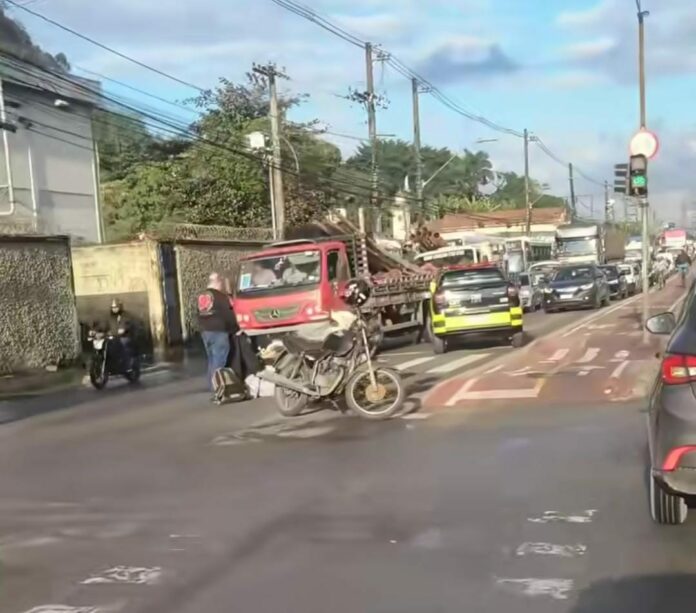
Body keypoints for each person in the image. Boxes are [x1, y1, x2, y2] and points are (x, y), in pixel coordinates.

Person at [197, 272, 239, 395]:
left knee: (211, 359)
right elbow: (229, 314)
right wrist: (236, 328)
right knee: (219, 360)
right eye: (221, 282)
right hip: (219, 331)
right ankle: (217, 387)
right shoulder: (220, 296)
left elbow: (198, 313)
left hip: (205, 331)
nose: (222, 285)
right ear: (217, 282)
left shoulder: (202, 295)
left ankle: (211, 385)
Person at [107, 298, 136, 370]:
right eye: (113, 307)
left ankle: (128, 365)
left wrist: (123, 329)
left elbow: (126, 325)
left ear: (120, 307)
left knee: (123, 343)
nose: (114, 309)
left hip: (126, 336)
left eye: (116, 307)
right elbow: (105, 325)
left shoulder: (125, 315)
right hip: (114, 336)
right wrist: (98, 331)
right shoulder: (110, 317)